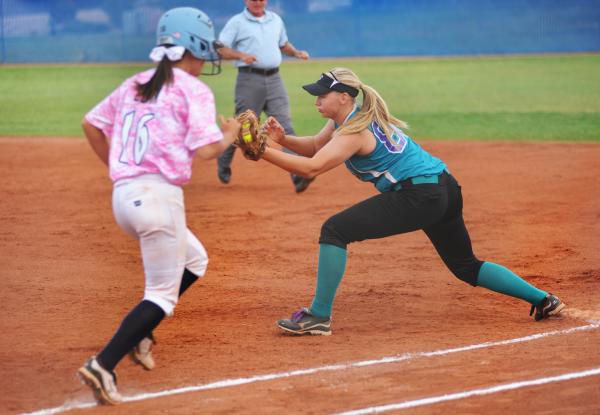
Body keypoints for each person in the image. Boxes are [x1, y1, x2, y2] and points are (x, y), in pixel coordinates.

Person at [258, 68, 565, 335]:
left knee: (335, 230)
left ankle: (318, 316)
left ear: (343, 96)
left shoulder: (354, 131)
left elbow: (312, 167)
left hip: (420, 196)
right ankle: (543, 299)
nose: (316, 101)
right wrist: (282, 140)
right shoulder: (351, 119)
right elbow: (313, 148)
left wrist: (261, 151)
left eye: (322, 95)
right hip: (444, 186)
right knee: (465, 266)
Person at [77, 7, 240, 404]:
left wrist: (120, 171)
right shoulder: (194, 89)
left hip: (126, 197)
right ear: (193, 48)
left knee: (195, 260)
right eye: (205, 51)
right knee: (161, 295)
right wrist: (230, 134)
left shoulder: (137, 81)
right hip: (159, 200)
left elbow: (90, 124)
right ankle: (104, 364)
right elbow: (205, 151)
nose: (207, 60)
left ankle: (142, 333)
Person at [215, 0, 314, 193]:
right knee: (242, 125)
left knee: (285, 125)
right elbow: (221, 49)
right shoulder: (237, 22)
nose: (258, 2)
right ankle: (223, 161)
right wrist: (241, 56)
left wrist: (295, 52)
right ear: (246, 1)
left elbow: (283, 44)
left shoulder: (275, 19)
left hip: (275, 79)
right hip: (249, 79)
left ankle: (298, 174)